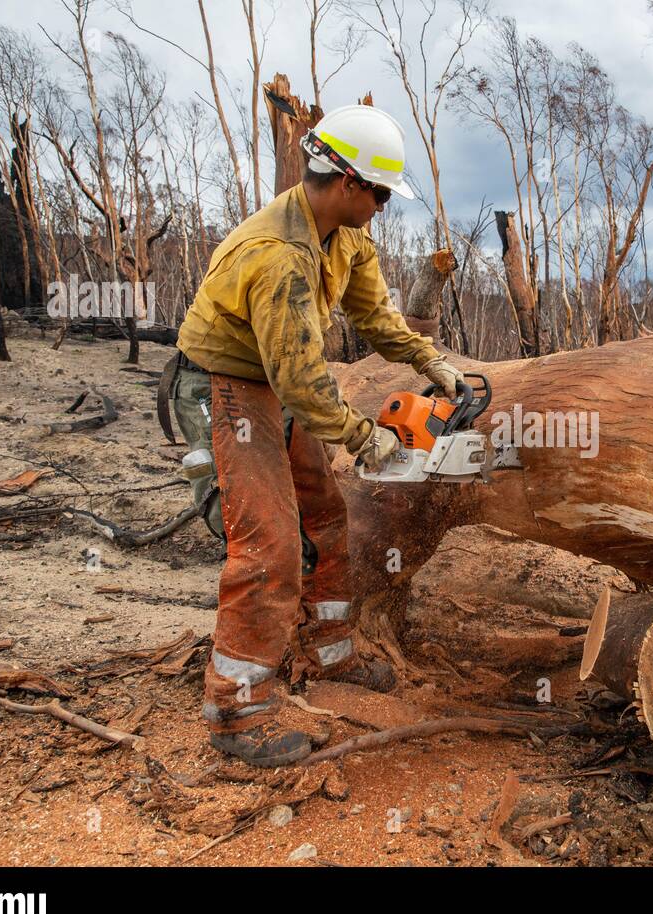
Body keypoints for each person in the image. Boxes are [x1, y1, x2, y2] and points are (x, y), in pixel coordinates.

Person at [165, 104, 464, 766]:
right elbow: (301, 381)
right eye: (380, 193)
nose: (384, 206)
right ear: (348, 183)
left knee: (326, 516)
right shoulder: (280, 256)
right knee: (268, 543)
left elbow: (375, 317)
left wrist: (430, 361)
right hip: (227, 386)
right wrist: (366, 439)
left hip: (274, 384)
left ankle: (327, 650)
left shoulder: (346, 238)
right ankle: (235, 710)